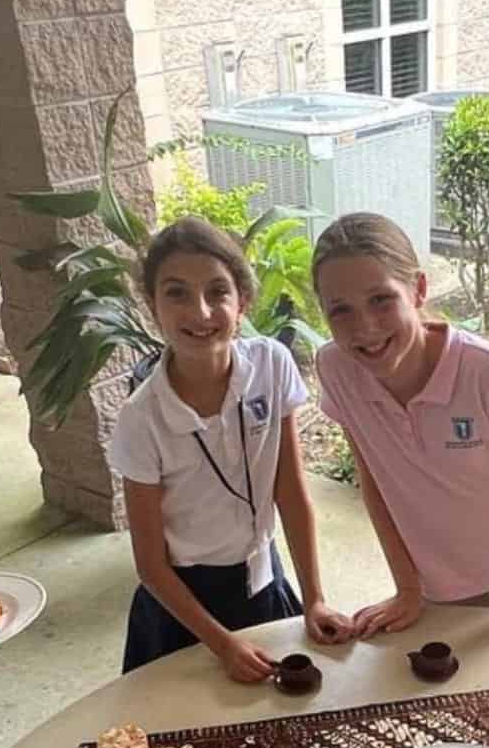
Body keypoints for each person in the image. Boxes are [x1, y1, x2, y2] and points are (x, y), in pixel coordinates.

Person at [311, 211, 489, 633]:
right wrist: (407, 588)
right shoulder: (335, 368)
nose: (364, 327)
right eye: (340, 310)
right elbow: (374, 482)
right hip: (436, 585)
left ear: (418, 289)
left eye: (381, 300)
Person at [112, 216, 352, 677]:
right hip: (182, 607)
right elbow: (150, 565)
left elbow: (292, 494)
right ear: (152, 304)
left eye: (217, 292)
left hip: (264, 577)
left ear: (242, 301)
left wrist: (315, 598)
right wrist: (223, 646)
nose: (200, 313)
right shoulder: (141, 418)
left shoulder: (271, 365)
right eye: (176, 292)